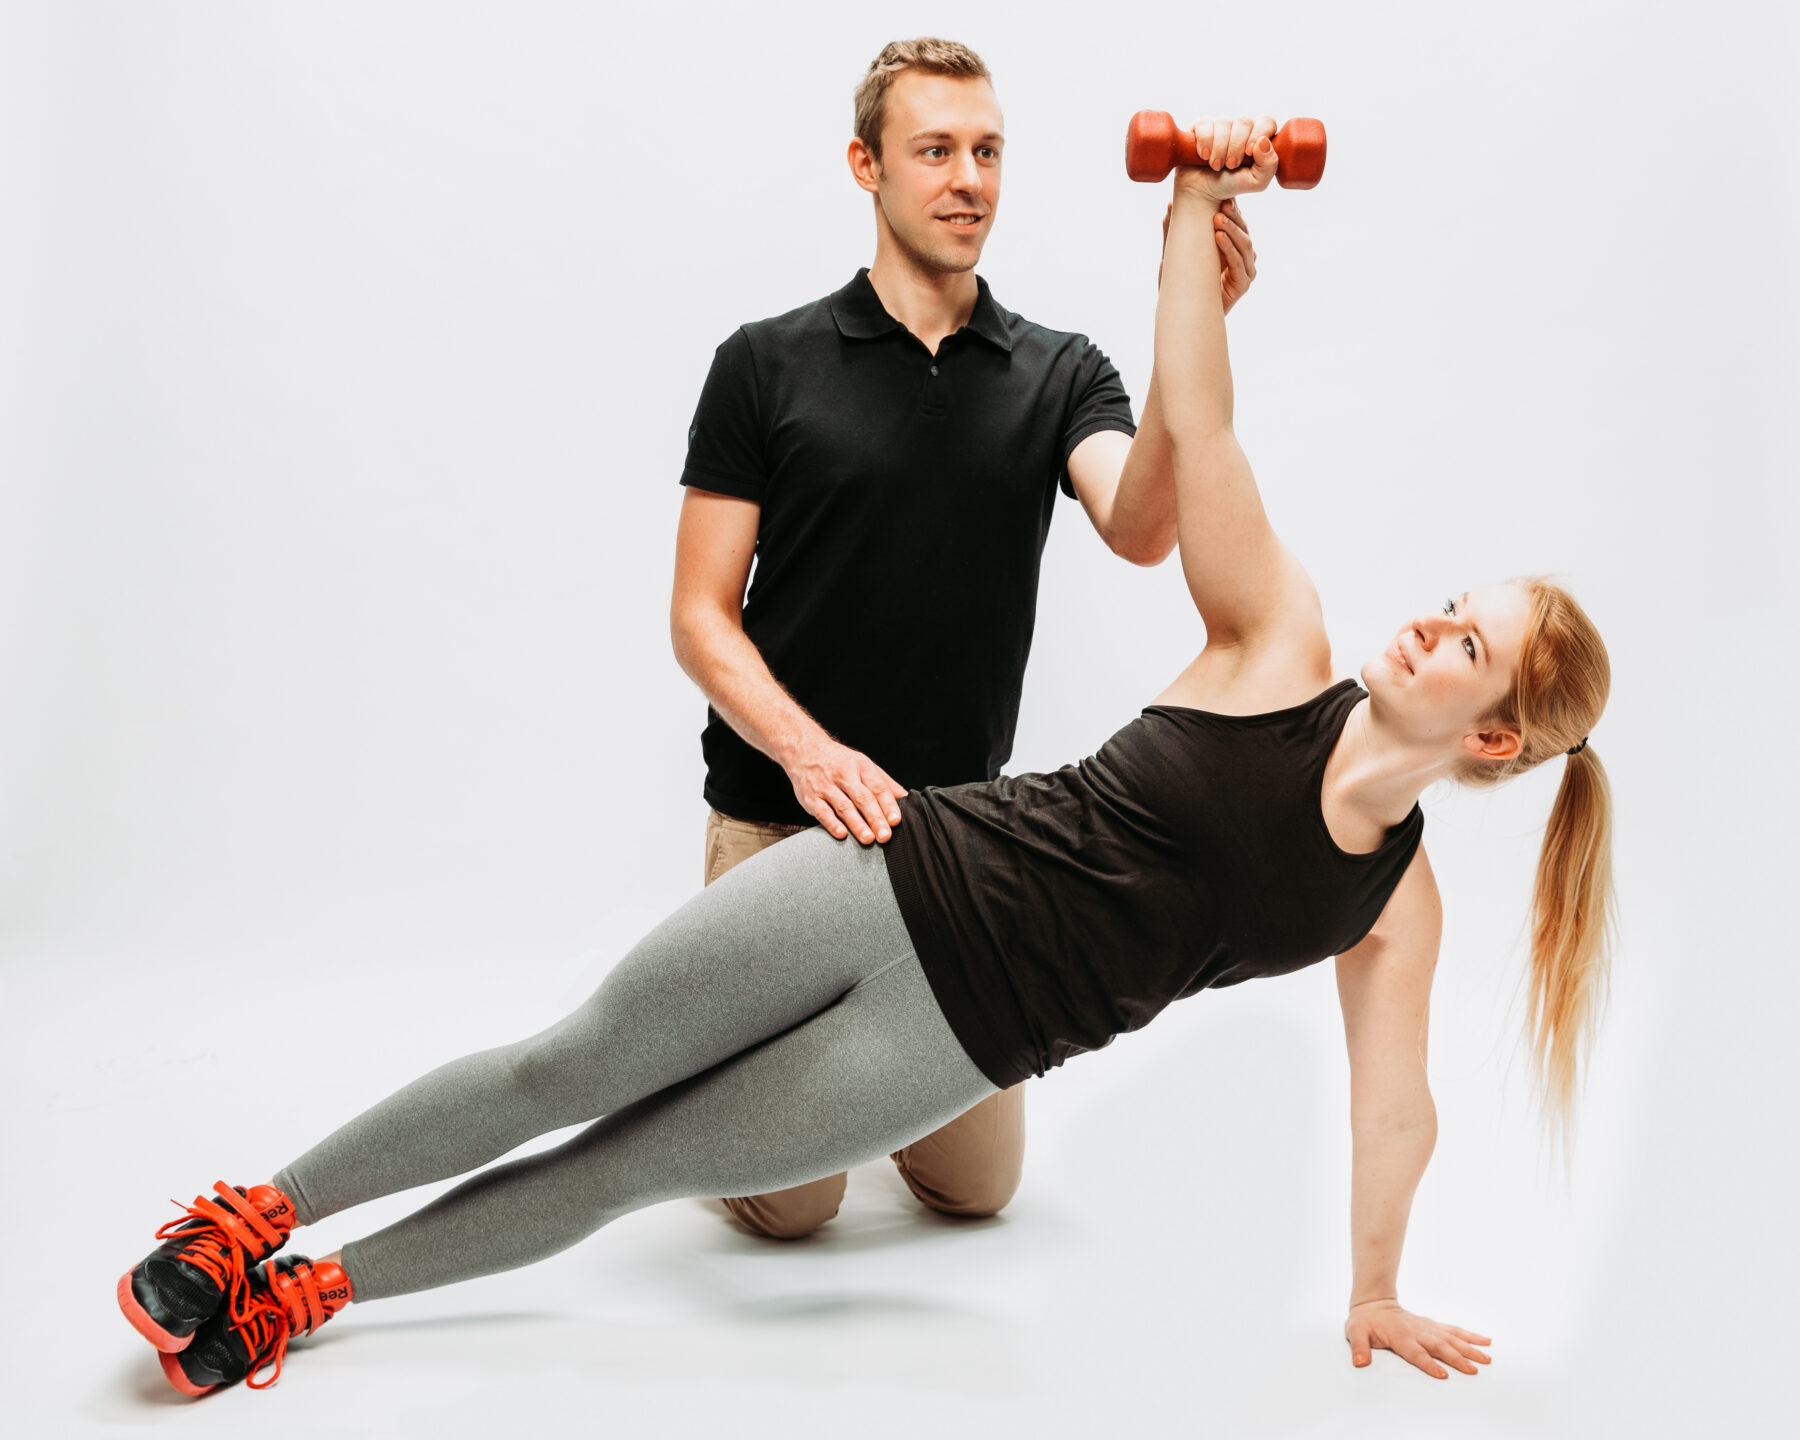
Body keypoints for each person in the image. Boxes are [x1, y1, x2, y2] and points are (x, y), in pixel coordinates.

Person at [116, 122, 1614, 1398]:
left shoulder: (1391, 908)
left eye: (1467, 644)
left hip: (952, 1049)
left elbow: (1394, 1106)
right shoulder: (1280, 644)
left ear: (1493, 737)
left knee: (624, 1167)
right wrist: (1191, 219)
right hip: (895, 867)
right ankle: (252, 1216)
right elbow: (1202, 432)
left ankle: (305, 1300)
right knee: (567, 1064)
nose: (1430, 625)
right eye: (1452, 602)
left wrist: (1374, 1287)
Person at [671, 38, 1268, 1238]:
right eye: (934, 150)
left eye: (987, 152)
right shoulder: (763, 363)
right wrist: (807, 753)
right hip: (783, 823)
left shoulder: (1056, 372)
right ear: (867, 167)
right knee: (793, 1210)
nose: (967, 179)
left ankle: (841, 1064)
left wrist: (1188, 305)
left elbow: (1145, 525)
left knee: (975, 1190)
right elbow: (699, 615)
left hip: (955, 850)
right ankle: (721, 1077)